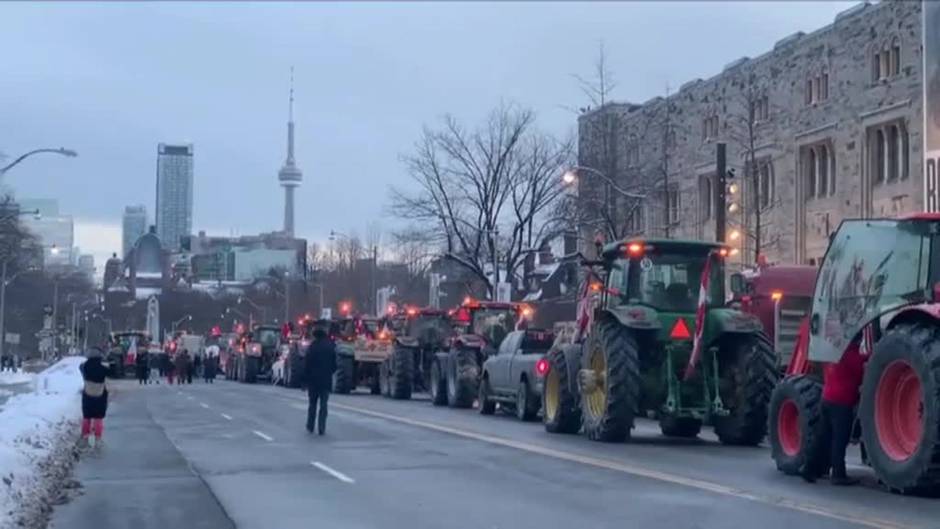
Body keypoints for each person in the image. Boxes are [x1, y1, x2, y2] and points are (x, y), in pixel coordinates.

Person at [802, 338, 869, 486]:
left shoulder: (833, 352)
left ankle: (809, 468)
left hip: (827, 399)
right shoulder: (851, 355)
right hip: (842, 403)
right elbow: (862, 367)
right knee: (840, 440)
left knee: (822, 437)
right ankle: (838, 474)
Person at [304, 327, 337, 435]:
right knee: (324, 405)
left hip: (313, 381)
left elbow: (307, 365)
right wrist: (329, 373)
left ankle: (310, 425)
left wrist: (305, 380)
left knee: (312, 404)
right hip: (325, 380)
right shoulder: (330, 347)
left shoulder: (312, 347)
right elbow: (334, 365)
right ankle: (321, 427)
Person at [79, 348, 109, 450]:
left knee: (86, 417)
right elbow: (112, 373)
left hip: (87, 395)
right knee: (98, 418)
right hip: (100, 395)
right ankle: (98, 440)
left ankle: (85, 439)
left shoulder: (83, 367)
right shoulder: (103, 369)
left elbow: (81, 369)